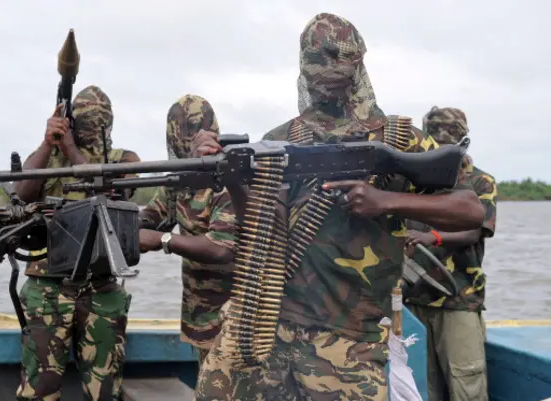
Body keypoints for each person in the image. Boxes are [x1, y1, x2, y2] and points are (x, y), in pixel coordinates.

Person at [190, 13, 486, 401]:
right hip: (266, 329)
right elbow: (263, 231)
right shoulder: (281, 139)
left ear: (358, 65)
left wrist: (385, 201)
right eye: (320, 66)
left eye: (340, 64)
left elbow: (471, 210)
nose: (330, 76)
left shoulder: (399, 140)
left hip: (348, 343)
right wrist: (232, 180)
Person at [13, 85, 141, 401]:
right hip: (47, 287)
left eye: (98, 121)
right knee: (38, 391)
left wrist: (70, 150)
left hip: (101, 286)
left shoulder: (124, 160)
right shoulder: (45, 157)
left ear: (109, 124)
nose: (91, 127)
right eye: (83, 121)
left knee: (104, 390)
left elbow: (109, 195)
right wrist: (48, 144)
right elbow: (21, 194)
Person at [137, 94, 238, 367]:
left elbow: (221, 248)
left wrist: (163, 240)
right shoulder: (179, 181)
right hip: (199, 317)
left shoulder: (231, 180)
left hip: (236, 320)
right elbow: (151, 218)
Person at [404, 106, 498, 401]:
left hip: (459, 298)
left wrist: (432, 237)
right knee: (423, 384)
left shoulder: (480, 182)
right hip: (414, 298)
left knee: (466, 383)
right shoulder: (413, 182)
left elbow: (475, 231)